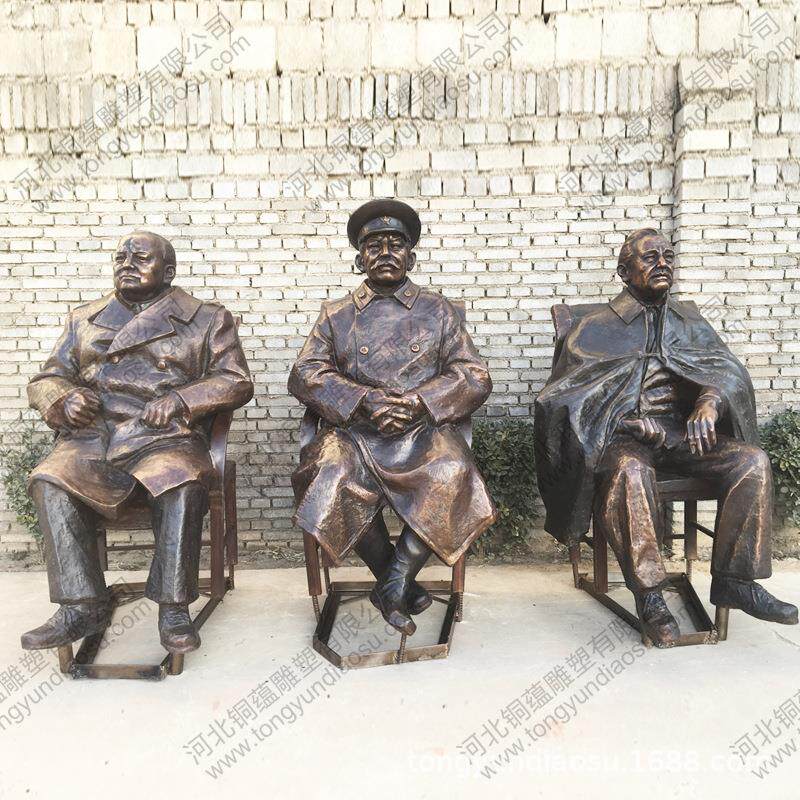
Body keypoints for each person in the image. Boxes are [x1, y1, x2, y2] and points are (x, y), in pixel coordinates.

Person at [534, 228, 797, 646]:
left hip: (685, 436)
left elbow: (726, 370)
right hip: (624, 438)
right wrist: (627, 420)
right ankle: (650, 593)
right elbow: (561, 399)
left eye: (668, 256)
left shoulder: (689, 322)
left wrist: (709, 402)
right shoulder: (593, 328)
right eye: (650, 257)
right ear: (624, 272)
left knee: (752, 462)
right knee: (630, 470)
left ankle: (734, 580)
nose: (663, 264)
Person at [22, 231, 253, 654]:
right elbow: (46, 378)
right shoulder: (83, 319)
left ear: (168, 271)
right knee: (49, 479)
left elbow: (235, 380)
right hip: (94, 438)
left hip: (163, 437)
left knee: (181, 481)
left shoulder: (206, 318)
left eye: (140, 258)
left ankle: (173, 607)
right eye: (120, 257)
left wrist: (182, 399)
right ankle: (81, 606)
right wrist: (63, 397)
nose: (127, 264)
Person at [289, 199, 496, 635]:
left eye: (395, 244)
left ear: (411, 257)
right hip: (354, 432)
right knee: (331, 472)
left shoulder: (439, 311)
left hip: (422, 431)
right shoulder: (336, 315)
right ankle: (394, 580)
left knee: (452, 468)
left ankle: (395, 582)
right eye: (374, 246)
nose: (385, 253)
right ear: (359, 258)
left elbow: (473, 374)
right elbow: (305, 373)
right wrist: (363, 400)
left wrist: (419, 401)